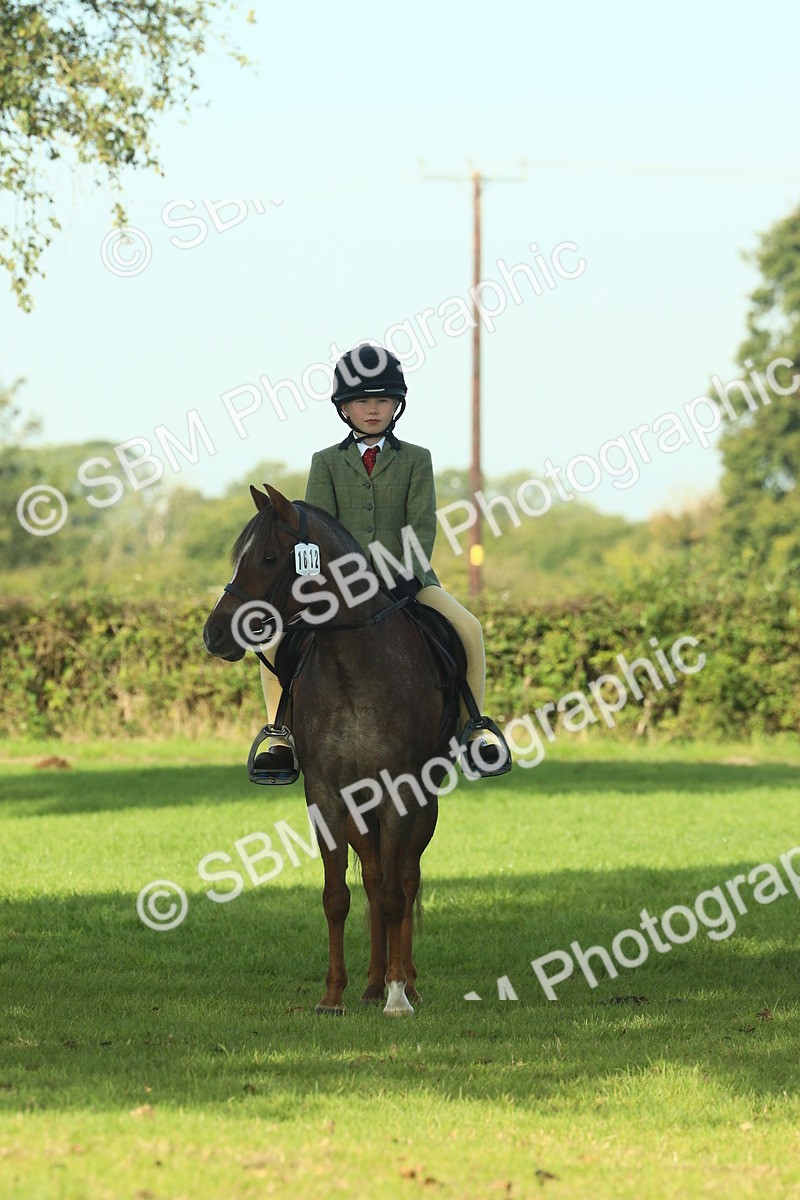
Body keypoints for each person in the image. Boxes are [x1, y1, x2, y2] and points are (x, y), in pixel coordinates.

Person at [253, 342, 510, 780]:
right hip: (337, 585)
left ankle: (474, 728)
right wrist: (317, 581)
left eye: (383, 400)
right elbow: (314, 527)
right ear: (344, 408)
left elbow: (422, 525)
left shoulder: (415, 459)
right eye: (362, 401)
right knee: (273, 639)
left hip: (408, 579)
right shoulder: (326, 462)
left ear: (397, 405)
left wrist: (400, 573)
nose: (373, 409)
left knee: (470, 628)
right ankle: (281, 734)